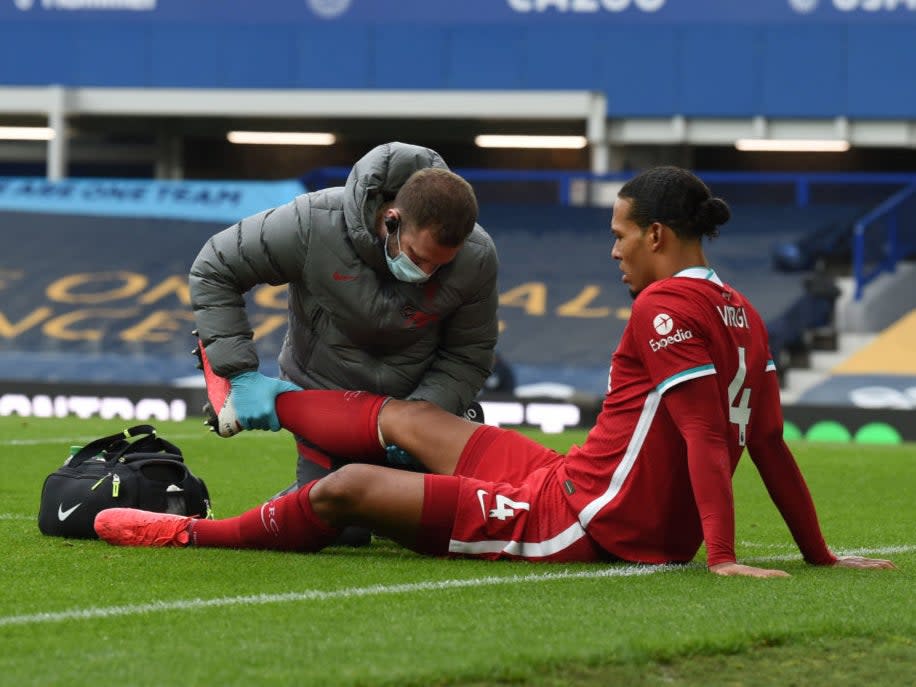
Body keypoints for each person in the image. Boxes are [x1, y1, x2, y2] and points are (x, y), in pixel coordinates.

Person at [98, 166, 894, 577]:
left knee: (346, 491)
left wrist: (719, 555)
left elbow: (707, 440)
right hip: (576, 479)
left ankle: (189, 532)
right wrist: (818, 554)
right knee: (413, 419)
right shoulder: (742, 312)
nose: (612, 250)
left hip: (584, 524)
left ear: (657, 234)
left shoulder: (662, 310)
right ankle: (262, 397)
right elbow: (773, 444)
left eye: (620, 235)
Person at [188, 142, 500, 544]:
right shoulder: (312, 223)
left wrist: (425, 414)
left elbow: (468, 354)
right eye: (419, 258)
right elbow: (215, 266)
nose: (426, 274)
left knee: (453, 528)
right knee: (341, 528)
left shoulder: (477, 256)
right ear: (391, 220)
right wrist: (241, 375)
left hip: (413, 406)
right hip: (329, 400)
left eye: (441, 265)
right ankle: (301, 502)